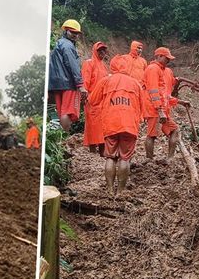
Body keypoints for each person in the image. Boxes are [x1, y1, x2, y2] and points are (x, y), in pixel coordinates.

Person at [88, 58, 143, 195]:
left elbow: (93, 101)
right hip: (130, 125)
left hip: (110, 124)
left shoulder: (106, 81)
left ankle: (110, 190)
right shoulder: (135, 83)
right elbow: (143, 106)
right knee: (125, 158)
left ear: (112, 67)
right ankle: (121, 192)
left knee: (110, 157)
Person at [142, 47, 189, 160]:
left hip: (162, 109)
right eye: (166, 58)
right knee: (152, 135)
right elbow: (153, 91)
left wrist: (180, 102)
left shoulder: (166, 71)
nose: (169, 60)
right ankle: (149, 160)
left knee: (174, 130)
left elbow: (165, 95)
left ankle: (170, 158)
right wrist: (159, 110)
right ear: (158, 56)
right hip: (154, 109)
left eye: (169, 58)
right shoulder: (152, 69)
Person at [48, 19, 87, 132]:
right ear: (66, 31)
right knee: (67, 112)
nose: (75, 35)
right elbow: (73, 65)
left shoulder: (58, 44)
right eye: (72, 32)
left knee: (62, 112)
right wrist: (80, 85)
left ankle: (61, 138)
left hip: (57, 84)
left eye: (76, 33)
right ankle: (66, 136)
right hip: (68, 84)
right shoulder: (68, 46)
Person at [81, 41, 109, 154]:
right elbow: (85, 80)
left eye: (104, 50)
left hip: (103, 101)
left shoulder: (103, 66)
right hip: (92, 100)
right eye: (99, 50)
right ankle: (92, 151)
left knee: (103, 126)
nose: (102, 52)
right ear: (95, 51)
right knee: (92, 126)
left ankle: (102, 151)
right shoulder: (89, 63)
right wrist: (85, 96)